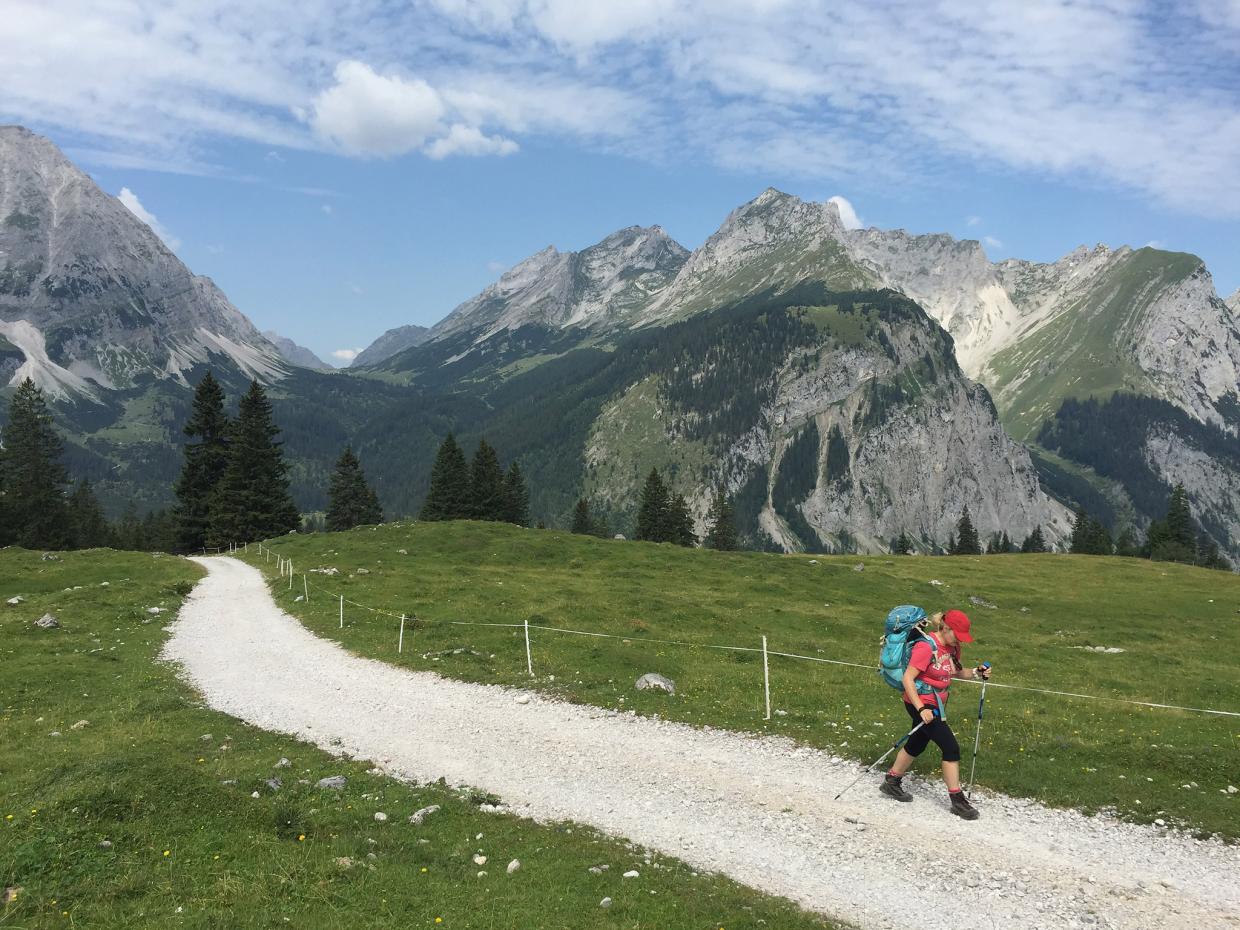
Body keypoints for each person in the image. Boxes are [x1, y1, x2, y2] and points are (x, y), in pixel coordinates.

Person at [879, 608, 991, 819]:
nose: (960, 641)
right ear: (946, 628)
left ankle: (892, 781)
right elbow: (908, 679)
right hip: (920, 702)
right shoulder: (926, 647)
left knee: (917, 742)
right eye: (958, 636)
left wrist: (977, 673)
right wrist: (921, 708)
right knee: (951, 748)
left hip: (936, 704)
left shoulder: (953, 648)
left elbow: (956, 672)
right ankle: (957, 800)